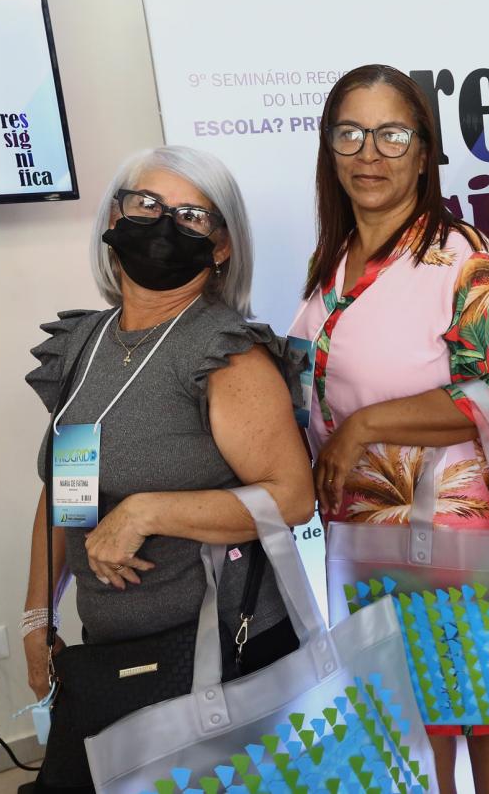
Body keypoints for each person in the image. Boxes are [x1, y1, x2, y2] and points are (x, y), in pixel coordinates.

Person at [23, 146, 315, 792]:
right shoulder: (85, 344)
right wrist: (36, 615)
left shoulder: (224, 351)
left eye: (191, 215)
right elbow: (67, 487)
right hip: (110, 654)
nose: (163, 225)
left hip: (220, 653)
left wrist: (145, 511)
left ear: (221, 247)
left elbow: (293, 498)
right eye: (147, 204)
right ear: (114, 217)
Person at [288, 64, 489, 794]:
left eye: (391, 135)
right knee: (406, 705)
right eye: (350, 134)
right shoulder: (334, 256)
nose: (370, 153)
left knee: (485, 703)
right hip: (361, 525)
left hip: (451, 526)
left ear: (424, 152)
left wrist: (365, 425)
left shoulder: (462, 258)